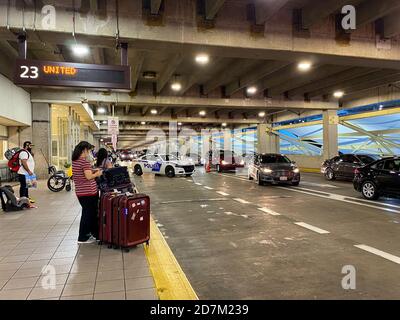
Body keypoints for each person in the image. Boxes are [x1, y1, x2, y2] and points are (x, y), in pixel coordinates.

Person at [72, 141, 103, 244]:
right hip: (88, 193)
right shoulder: (84, 162)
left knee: (89, 213)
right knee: (88, 214)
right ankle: (83, 237)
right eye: (89, 150)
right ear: (84, 150)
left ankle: (93, 233)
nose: (89, 153)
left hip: (81, 192)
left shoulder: (76, 161)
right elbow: (88, 177)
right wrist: (97, 173)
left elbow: (83, 174)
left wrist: (92, 170)